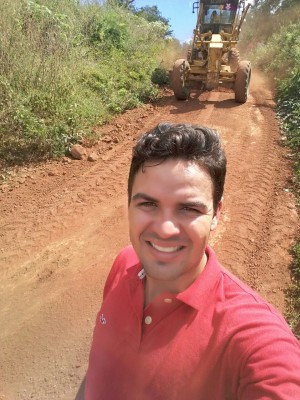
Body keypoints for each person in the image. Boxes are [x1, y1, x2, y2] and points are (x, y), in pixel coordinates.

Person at [85, 123, 300, 400]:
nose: (165, 229)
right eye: (148, 204)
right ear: (128, 205)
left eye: (188, 208)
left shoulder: (254, 338)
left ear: (215, 214)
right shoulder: (125, 263)